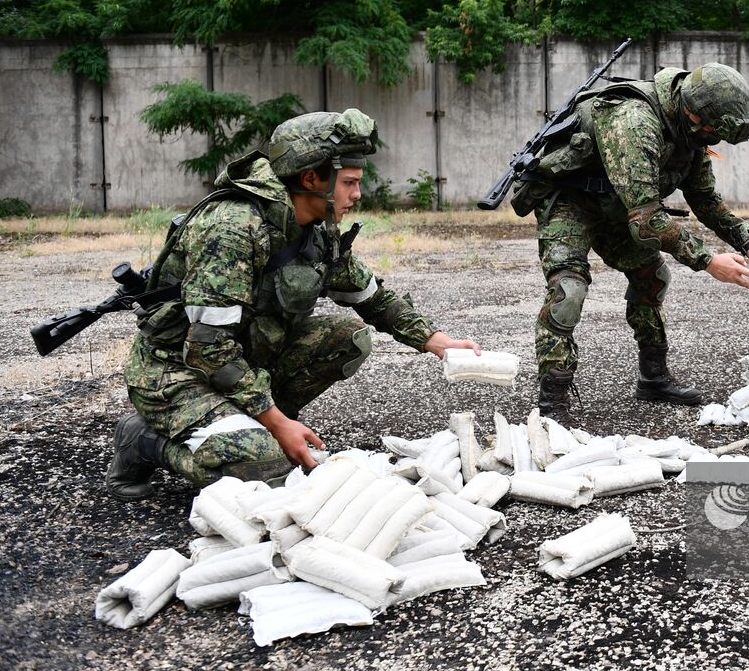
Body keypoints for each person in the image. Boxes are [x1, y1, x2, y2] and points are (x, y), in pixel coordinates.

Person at [106, 108, 480, 500]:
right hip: (177, 371)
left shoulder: (315, 231)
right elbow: (207, 348)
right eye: (349, 183)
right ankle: (143, 440)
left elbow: (373, 299)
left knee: (348, 338)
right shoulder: (232, 227)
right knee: (265, 472)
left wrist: (438, 341)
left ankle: (254, 424)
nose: (357, 195)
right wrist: (278, 422)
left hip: (241, 361)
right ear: (311, 178)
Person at [510, 62, 749, 419]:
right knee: (568, 292)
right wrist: (707, 261)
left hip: (620, 206)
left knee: (652, 277)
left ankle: (653, 378)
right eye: (712, 133)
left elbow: (704, 200)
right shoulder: (634, 122)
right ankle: (552, 403)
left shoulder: (690, 133)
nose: (711, 143)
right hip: (571, 202)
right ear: (691, 112)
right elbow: (647, 222)